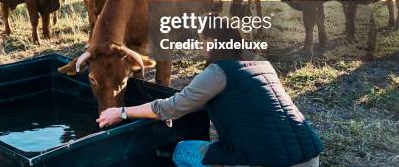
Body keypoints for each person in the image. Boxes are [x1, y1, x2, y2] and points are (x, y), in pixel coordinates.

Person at [96, 23, 324, 167]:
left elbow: (170, 108)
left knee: (183, 151)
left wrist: (122, 112)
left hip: (268, 161)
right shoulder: (260, 62)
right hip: (310, 154)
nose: (201, 47)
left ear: (213, 42)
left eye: (203, 41)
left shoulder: (219, 71)